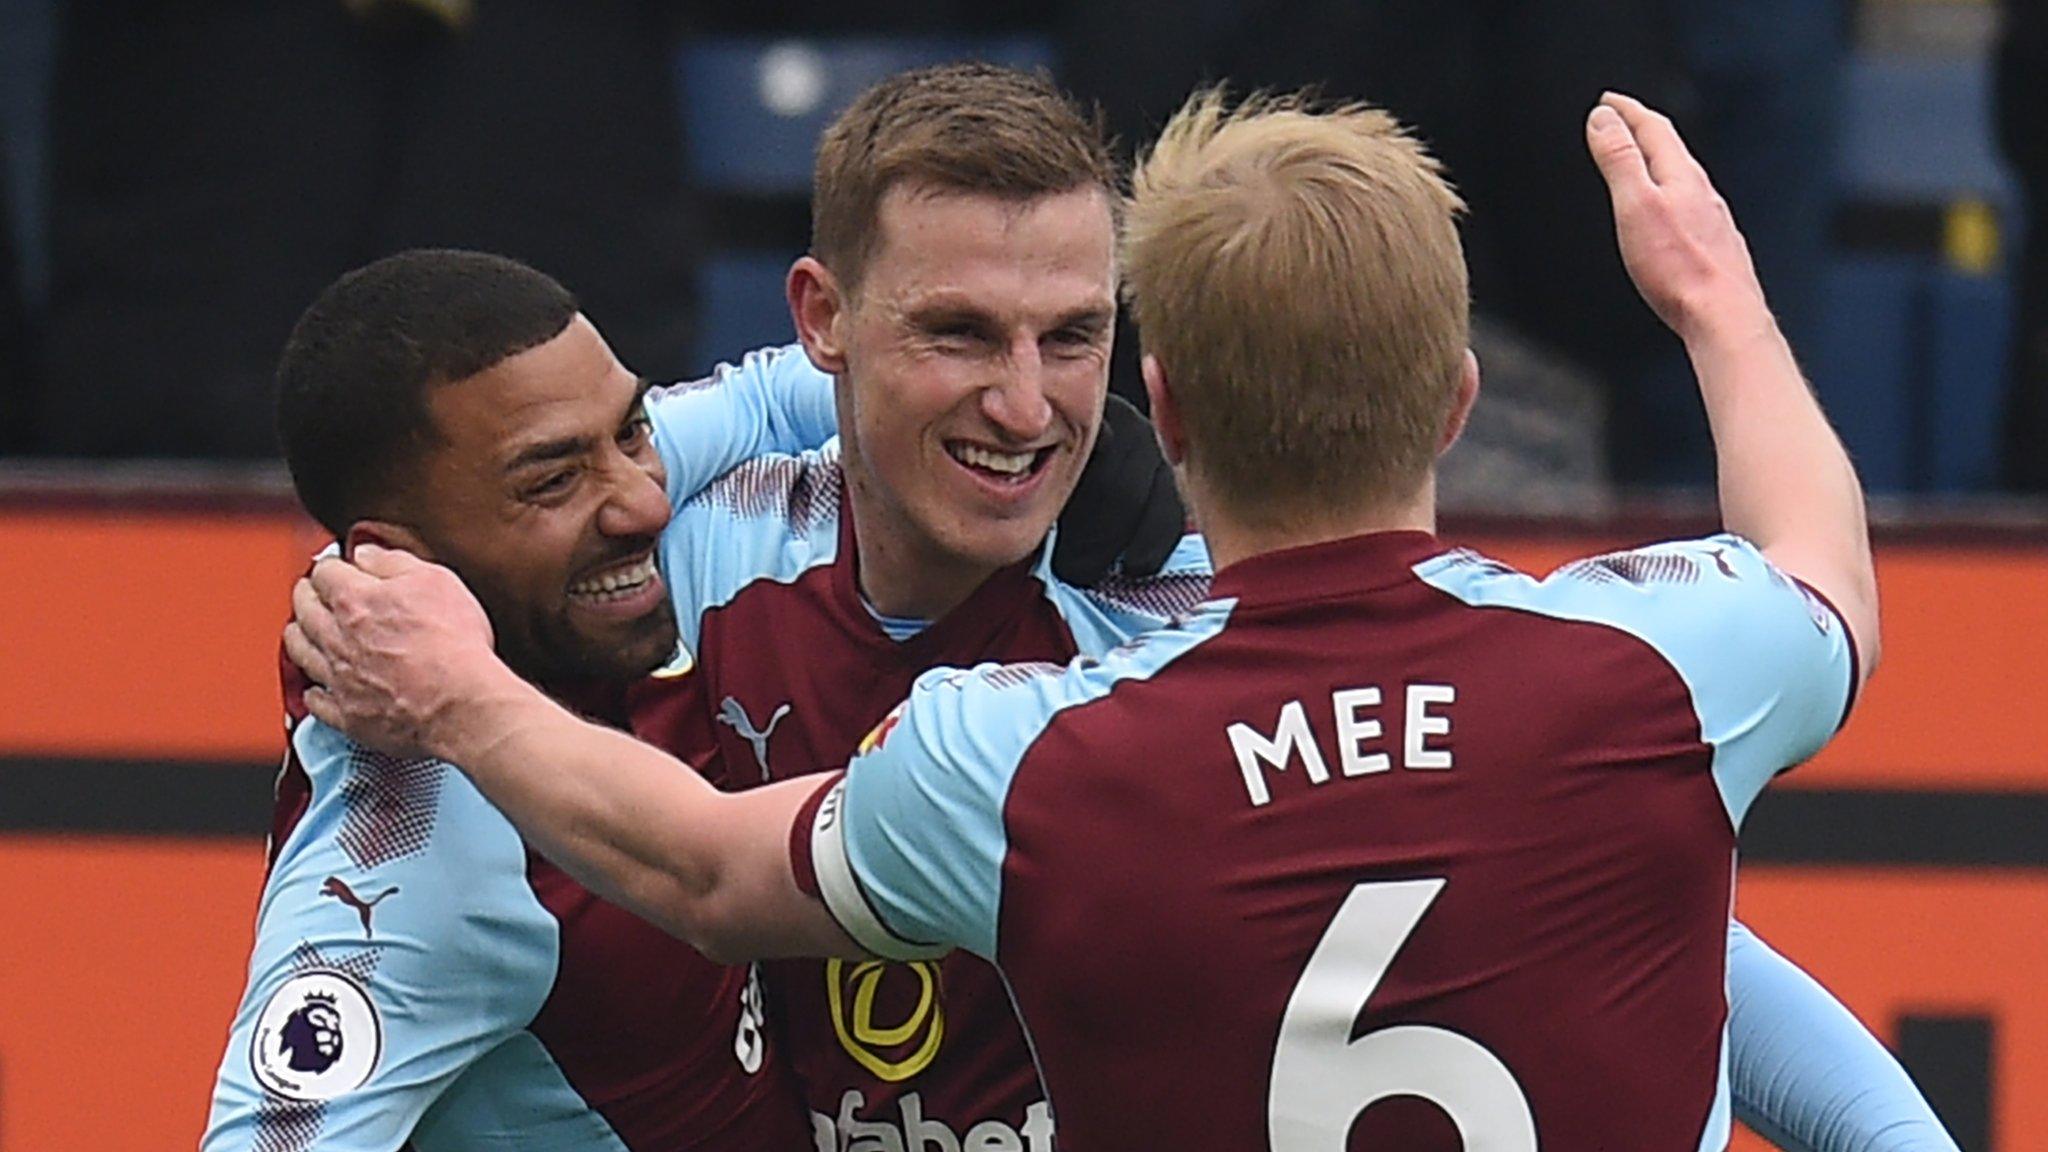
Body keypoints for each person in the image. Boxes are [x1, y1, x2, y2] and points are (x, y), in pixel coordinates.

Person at [288, 84, 1961, 1151]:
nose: (1022, 403)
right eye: (955, 331)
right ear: (1456, 405)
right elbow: (1816, 576)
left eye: (1070, 340)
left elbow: (709, 870)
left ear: (1153, 386)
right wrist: (1715, 304)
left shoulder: (1043, 752)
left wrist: (450, 685)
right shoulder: (1635, 675)